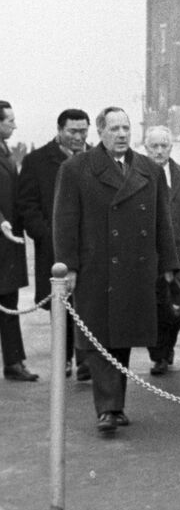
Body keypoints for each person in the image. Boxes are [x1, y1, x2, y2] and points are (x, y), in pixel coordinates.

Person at [52, 107, 178, 434]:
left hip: (138, 268)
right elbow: (64, 222)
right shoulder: (76, 169)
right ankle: (108, 408)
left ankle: (114, 405)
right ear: (100, 131)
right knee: (100, 338)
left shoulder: (149, 168)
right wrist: (69, 268)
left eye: (126, 128)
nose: (122, 134)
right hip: (97, 267)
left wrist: (168, 264)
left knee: (121, 336)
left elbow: (162, 220)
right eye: (114, 128)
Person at [15, 108, 88, 377]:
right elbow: (27, 204)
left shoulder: (94, 158)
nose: (79, 137)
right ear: (59, 131)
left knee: (87, 303)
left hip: (89, 246)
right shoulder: (36, 161)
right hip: (53, 247)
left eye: (83, 131)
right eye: (73, 131)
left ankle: (86, 360)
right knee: (60, 304)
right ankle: (64, 358)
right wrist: (46, 235)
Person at [142, 126, 180, 376]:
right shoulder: (135, 177)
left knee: (179, 301)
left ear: (171, 147)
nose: (159, 151)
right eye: (153, 146)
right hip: (149, 258)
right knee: (154, 305)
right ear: (145, 148)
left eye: (163, 145)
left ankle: (166, 346)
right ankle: (160, 355)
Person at [0, 101, 36, 381]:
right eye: (9, 120)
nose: (14, 125)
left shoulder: (6, 151)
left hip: (7, 242)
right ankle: (13, 362)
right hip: (3, 236)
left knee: (9, 303)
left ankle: (14, 362)